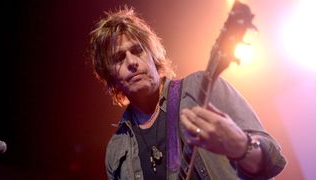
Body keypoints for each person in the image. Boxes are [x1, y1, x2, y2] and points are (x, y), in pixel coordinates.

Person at [89, 7, 286, 180]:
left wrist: (241, 145)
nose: (132, 62)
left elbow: (273, 160)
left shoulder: (200, 89)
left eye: (137, 50)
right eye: (119, 58)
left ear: (153, 56)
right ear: (110, 76)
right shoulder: (116, 151)